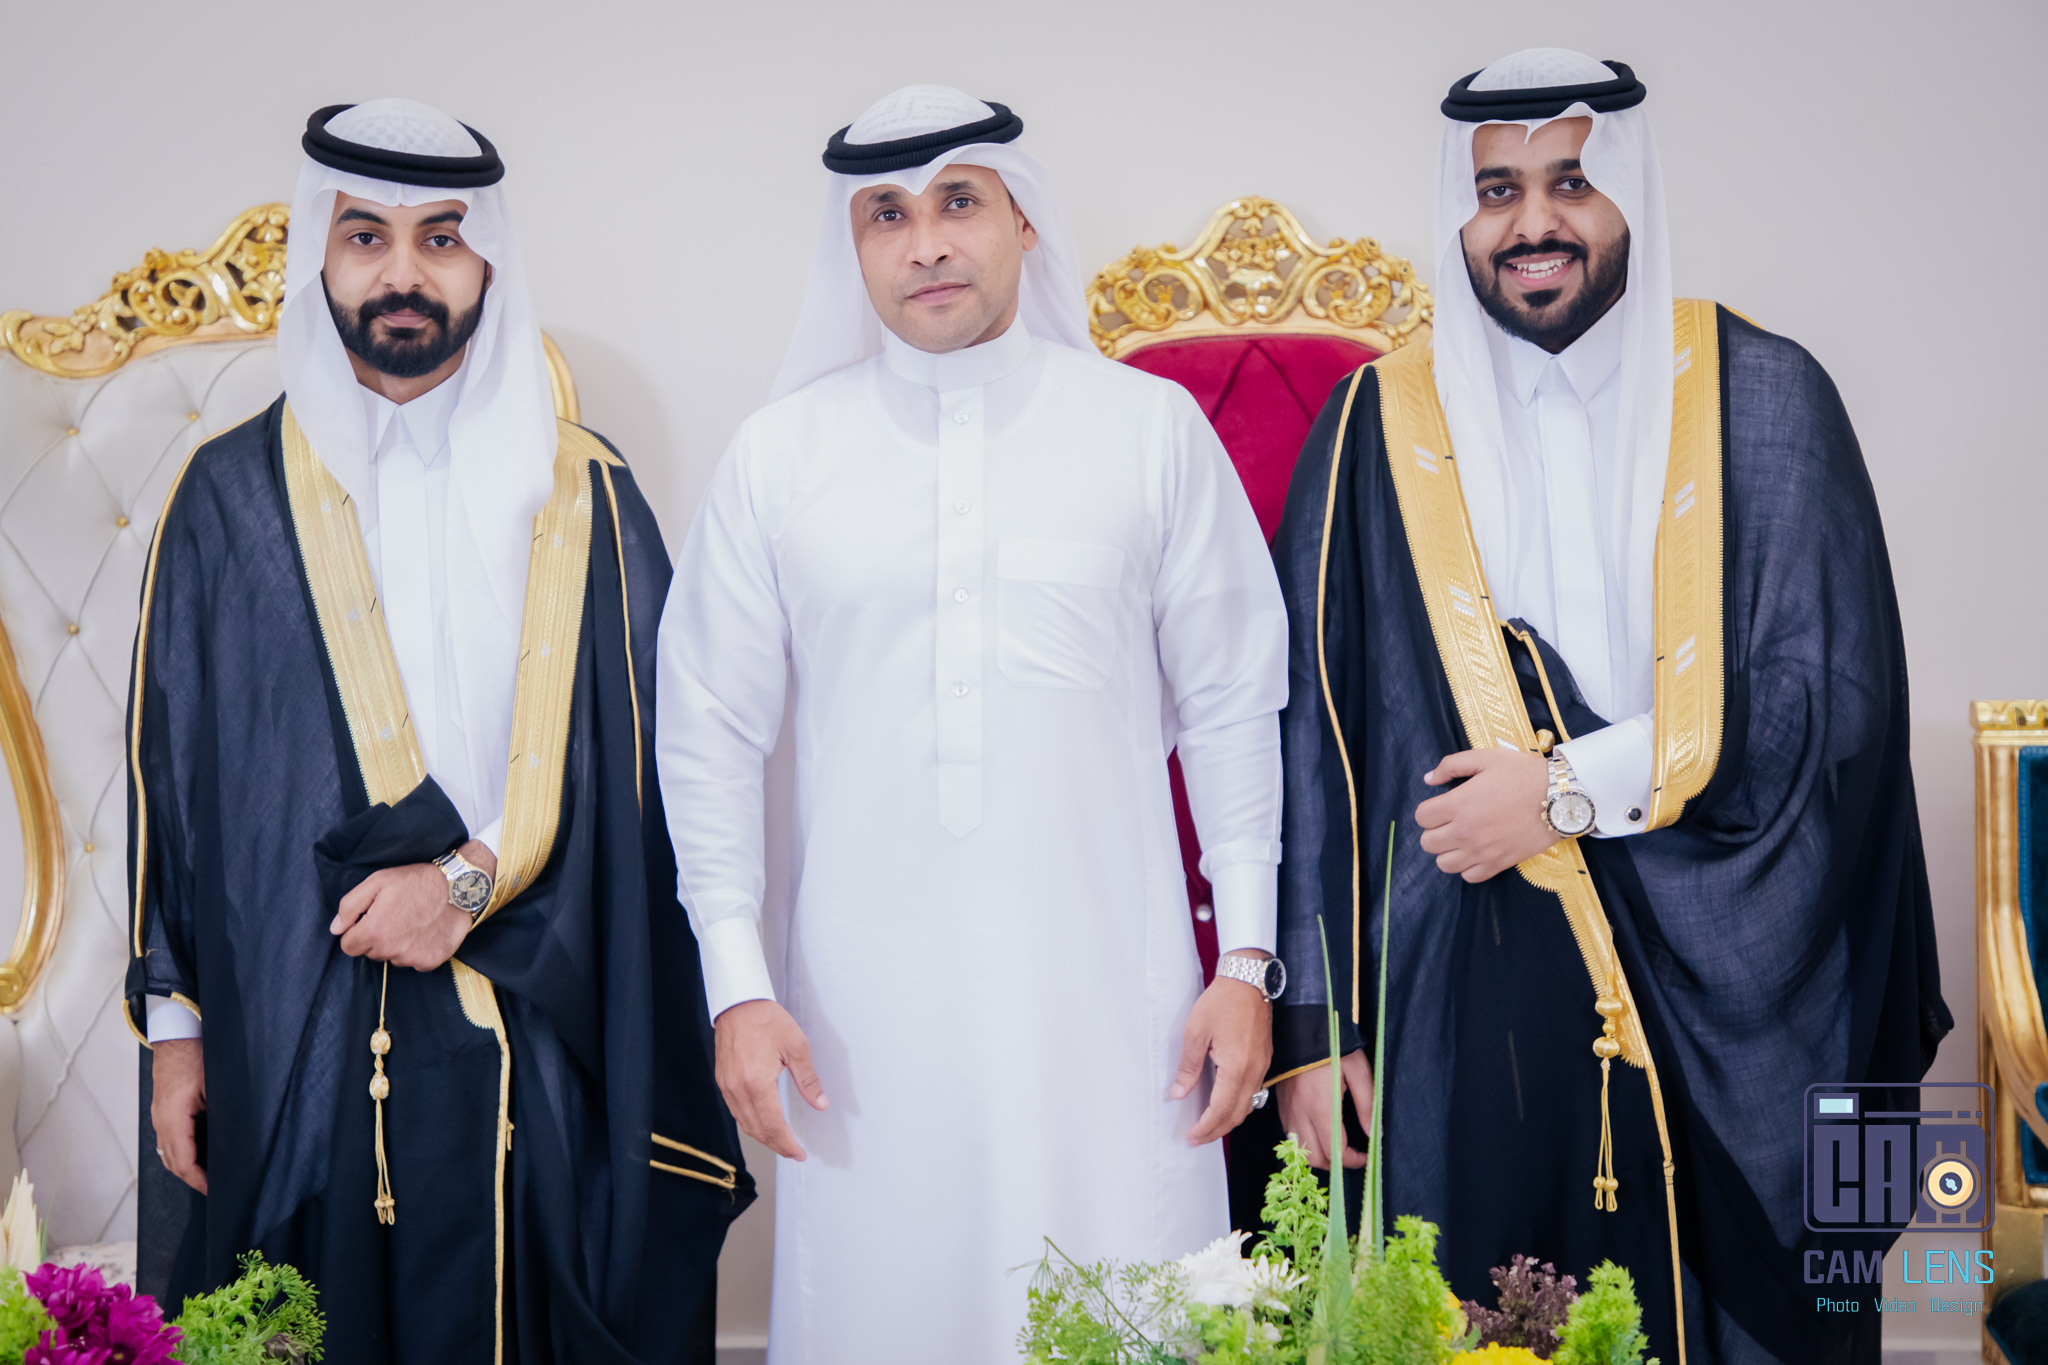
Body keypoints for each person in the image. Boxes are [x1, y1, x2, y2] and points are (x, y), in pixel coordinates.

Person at [1264, 50, 1949, 1365]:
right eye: (1497, 191)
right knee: (1487, 1318)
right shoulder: (1371, 424)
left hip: (1734, 960)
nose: (1532, 222)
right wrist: (1316, 1026)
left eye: (1570, 182)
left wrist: (1564, 791)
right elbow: (1314, 741)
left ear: (1629, 190)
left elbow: (1826, 701)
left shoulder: (1763, 394)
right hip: (1467, 991)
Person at [656, 85, 1289, 1363]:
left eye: (958, 203)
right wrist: (738, 988)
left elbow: (1233, 705)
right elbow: (706, 732)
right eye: (887, 216)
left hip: (1112, 1004)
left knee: (1121, 1303)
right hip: (857, 1018)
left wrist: (1245, 964)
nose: (926, 244)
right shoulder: (781, 457)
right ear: (853, 248)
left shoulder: (1147, 433)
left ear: (1024, 222)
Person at [126, 99, 750, 1365]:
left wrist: (463, 885)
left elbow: (649, 778)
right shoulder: (228, 497)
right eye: (366, 236)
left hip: (541, 1010)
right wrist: (176, 1040)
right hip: (297, 1021)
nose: (402, 272)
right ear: (321, 256)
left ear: (488, 264)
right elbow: (175, 782)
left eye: (442, 238)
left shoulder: (585, 492)